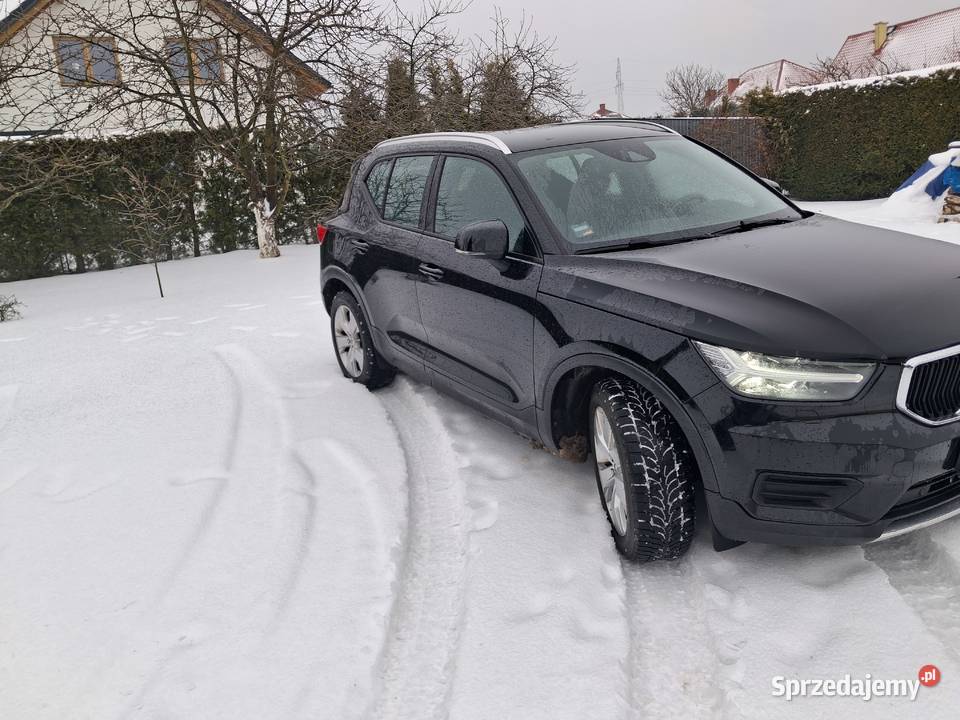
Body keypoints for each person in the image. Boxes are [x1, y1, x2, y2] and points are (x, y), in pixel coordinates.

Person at [939, 152, 960, 223]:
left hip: (953, 192)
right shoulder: (952, 170)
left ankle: (946, 217)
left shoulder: (951, 169)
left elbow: (945, 181)